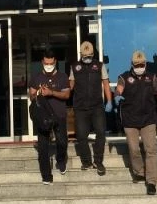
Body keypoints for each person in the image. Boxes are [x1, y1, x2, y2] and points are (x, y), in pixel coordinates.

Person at [115, 50, 157, 195]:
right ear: (132, 64)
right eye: (137, 65)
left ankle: (151, 181)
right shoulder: (124, 77)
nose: (139, 67)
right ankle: (139, 171)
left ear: (145, 63)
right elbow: (118, 90)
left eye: (141, 64)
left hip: (148, 118)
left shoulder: (151, 77)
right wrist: (117, 95)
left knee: (151, 150)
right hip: (130, 119)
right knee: (134, 149)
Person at [69, 41, 112, 176]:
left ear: (93, 54)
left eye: (89, 56)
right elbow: (70, 85)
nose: (87, 58)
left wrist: (109, 101)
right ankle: (86, 162)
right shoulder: (74, 67)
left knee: (101, 133)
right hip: (80, 107)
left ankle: (98, 162)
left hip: (97, 106)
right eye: (85, 56)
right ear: (81, 54)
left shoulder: (99, 66)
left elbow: (106, 84)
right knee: (81, 135)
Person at [29, 49, 71, 185]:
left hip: (59, 115)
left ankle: (61, 160)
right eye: (46, 63)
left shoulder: (63, 77)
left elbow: (66, 95)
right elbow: (31, 96)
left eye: (51, 63)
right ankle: (46, 176)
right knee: (43, 148)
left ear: (55, 62)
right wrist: (39, 92)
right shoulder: (36, 77)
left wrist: (51, 92)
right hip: (43, 117)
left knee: (62, 142)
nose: (48, 65)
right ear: (42, 62)